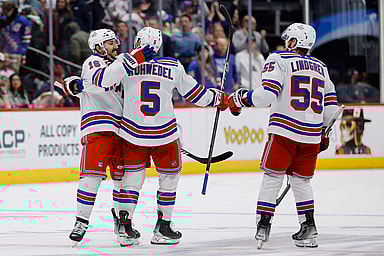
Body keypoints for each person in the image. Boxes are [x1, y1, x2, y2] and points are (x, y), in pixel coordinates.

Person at [95, 27, 228, 246]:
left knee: (132, 181)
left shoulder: (124, 62)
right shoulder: (172, 66)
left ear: (138, 42)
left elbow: (106, 86)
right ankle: (163, 226)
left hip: (132, 133)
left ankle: (125, 227)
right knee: (169, 180)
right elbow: (195, 94)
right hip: (165, 134)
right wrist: (217, 98)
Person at [227, 23, 339, 248]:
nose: (285, 43)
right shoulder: (321, 67)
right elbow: (331, 109)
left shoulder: (278, 59)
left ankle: (263, 226)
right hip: (310, 136)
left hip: (284, 132)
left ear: (293, 42)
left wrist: (240, 98)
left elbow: (265, 96)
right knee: (302, 181)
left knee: (272, 178)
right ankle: (308, 228)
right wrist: (323, 133)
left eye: (288, 39)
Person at [60, 28, 157, 245]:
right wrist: (134, 57)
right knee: (91, 176)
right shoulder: (93, 62)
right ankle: (81, 221)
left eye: (116, 42)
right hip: (99, 127)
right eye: (111, 42)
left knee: (122, 180)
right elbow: (104, 79)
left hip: (123, 130)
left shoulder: (123, 65)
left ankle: (122, 224)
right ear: (98, 46)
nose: (116, 46)